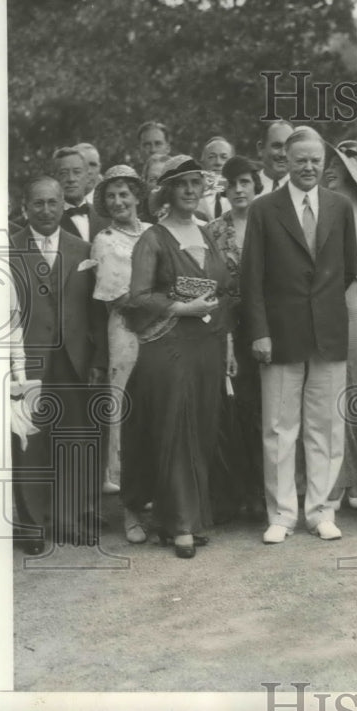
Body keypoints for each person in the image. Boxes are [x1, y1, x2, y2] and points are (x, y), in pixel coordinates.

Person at [241, 128, 357, 544]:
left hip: (328, 331)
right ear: (285, 162)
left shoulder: (340, 207)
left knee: (326, 427)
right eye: (300, 160)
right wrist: (260, 332)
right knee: (279, 427)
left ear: (324, 163)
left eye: (315, 160)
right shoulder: (264, 209)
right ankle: (282, 514)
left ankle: (322, 511)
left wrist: (321, 308)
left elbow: (348, 268)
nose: (308, 167)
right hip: (280, 333)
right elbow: (251, 277)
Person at [122, 156, 234, 558]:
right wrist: (180, 308)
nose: (190, 190)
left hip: (208, 345)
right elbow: (137, 297)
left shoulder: (207, 233)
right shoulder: (153, 238)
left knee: (201, 427)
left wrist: (228, 344)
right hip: (168, 345)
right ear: (168, 192)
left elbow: (223, 291)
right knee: (176, 428)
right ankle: (180, 524)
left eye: (195, 183)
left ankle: (189, 516)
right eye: (181, 184)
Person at [9, 177, 107, 554]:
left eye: (53, 202)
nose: (46, 210)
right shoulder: (9, 249)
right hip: (27, 361)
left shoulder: (82, 249)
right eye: (38, 203)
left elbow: (97, 311)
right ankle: (31, 525)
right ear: (25, 207)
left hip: (73, 359)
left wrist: (98, 359)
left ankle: (68, 520)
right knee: (29, 443)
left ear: (63, 205)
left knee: (74, 439)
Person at [205, 155, 265, 522]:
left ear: (256, 185)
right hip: (227, 329)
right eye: (231, 184)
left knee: (264, 412)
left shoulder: (270, 221)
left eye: (245, 182)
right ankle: (234, 493)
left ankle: (263, 491)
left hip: (266, 327)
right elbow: (210, 285)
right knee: (233, 410)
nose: (239, 189)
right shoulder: (213, 231)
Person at [319, 141, 357, 511]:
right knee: (328, 393)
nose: (328, 170)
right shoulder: (321, 213)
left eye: (337, 166)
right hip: (326, 309)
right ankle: (338, 479)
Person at [89, 166, 149, 504]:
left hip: (163, 329)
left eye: (124, 194)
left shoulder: (154, 232)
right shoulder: (105, 240)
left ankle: (157, 485)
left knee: (156, 400)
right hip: (126, 330)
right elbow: (117, 297)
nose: (118, 201)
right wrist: (163, 304)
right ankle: (127, 488)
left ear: (137, 196)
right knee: (125, 402)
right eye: (111, 196)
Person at [54, 147, 109, 242]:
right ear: (55, 178)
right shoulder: (47, 219)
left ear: (87, 177)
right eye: (64, 173)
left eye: (77, 172)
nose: (71, 179)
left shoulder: (105, 217)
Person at [256, 121, 294, 194]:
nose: (283, 154)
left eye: (288, 147)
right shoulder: (245, 188)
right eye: (277, 146)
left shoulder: (304, 188)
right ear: (260, 148)